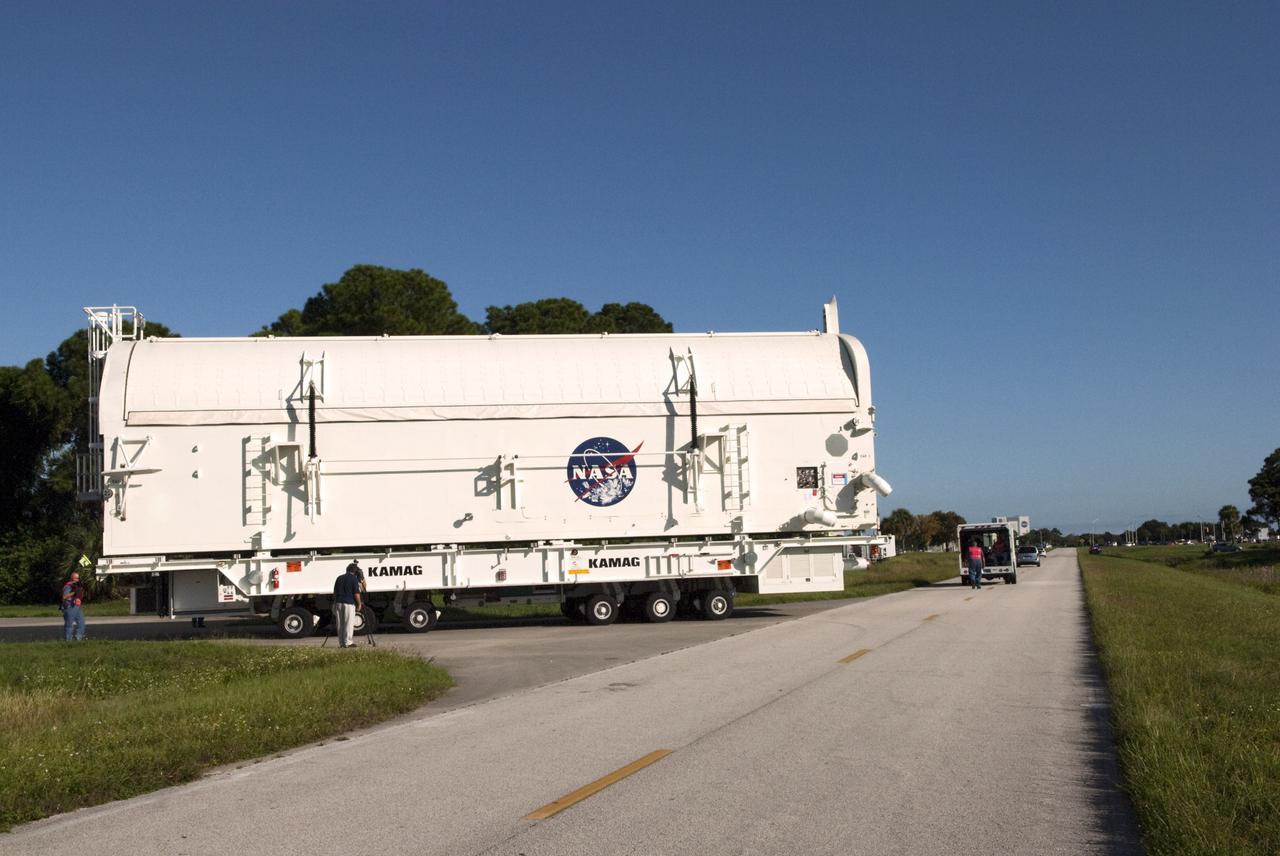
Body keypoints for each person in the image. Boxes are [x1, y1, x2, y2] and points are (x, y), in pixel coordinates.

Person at [333, 561, 363, 648]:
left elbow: (334, 592)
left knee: (340, 624)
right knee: (348, 623)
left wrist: (335, 602)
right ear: (355, 571)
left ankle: (342, 642)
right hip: (349, 603)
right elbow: (356, 593)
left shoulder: (339, 578)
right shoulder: (354, 579)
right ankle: (348, 642)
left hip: (338, 602)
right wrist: (359, 604)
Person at [61, 571, 87, 641]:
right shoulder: (68, 586)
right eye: (75, 578)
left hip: (77, 606)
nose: (77, 580)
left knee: (81, 622)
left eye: (78, 578)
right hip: (70, 606)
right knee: (69, 624)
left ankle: (79, 638)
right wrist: (74, 592)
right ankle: (68, 640)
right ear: (72, 578)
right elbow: (64, 596)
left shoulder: (77, 586)